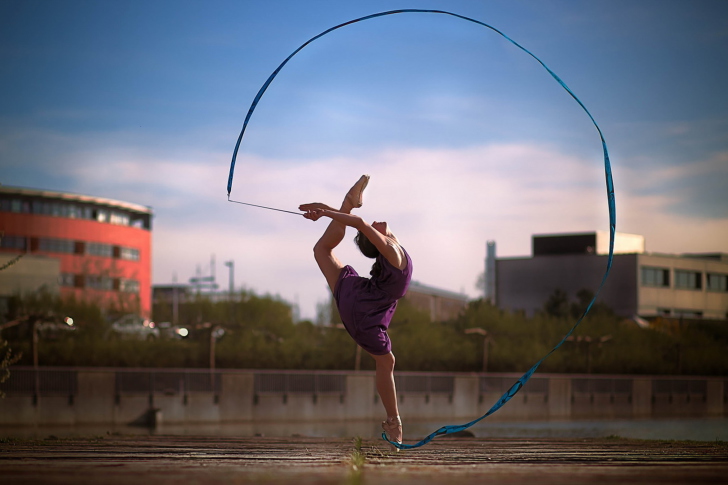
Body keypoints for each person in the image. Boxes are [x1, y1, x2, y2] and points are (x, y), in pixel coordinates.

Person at [300, 175, 412, 446]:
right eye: (373, 231)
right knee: (387, 363)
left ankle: (349, 202)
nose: (375, 224)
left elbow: (361, 226)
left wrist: (327, 210)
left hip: (365, 302)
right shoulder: (392, 250)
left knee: (321, 250)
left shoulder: (392, 248)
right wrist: (325, 211)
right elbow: (360, 226)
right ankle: (394, 421)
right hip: (364, 307)